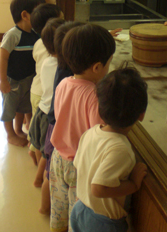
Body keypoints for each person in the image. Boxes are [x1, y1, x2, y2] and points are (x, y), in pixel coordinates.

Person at [49, 23, 116, 232]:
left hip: (58, 158)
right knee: (77, 212)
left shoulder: (64, 83)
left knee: (59, 204)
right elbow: (99, 136)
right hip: (78, 165)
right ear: (97, 67)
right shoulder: (93, 96)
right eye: (109, 64)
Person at [70, 66, 148, 232]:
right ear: (141, 115)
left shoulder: (91, 133)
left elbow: (79, 166)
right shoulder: (121, 149)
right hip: (102, 223)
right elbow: (98, 189)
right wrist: (133, 184)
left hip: (80, 208)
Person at [39, 21, 84, 215]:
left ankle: (45, 207)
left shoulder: (63, 67)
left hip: (55, 129)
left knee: (51, 171)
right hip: (59, 130)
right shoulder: (71, 76)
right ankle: (44, 207)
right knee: (51, 176)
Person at [0, 0, 45, 147]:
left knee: (23, 107)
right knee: (9, 108)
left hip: (28, 78)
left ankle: (19, 129)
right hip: (13, 80)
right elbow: (3, 58)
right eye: (38, 13)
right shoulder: (12, 35)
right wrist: (3, 80)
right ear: (25, 15)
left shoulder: (35, 33)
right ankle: (10, 134)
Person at [29, 17, 65, 187]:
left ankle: (38, 173)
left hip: (40, 112)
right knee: (47, 153)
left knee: (40, 147)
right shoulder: (63, 67)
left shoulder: (47, 62)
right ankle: (40, 178)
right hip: (50, 117)